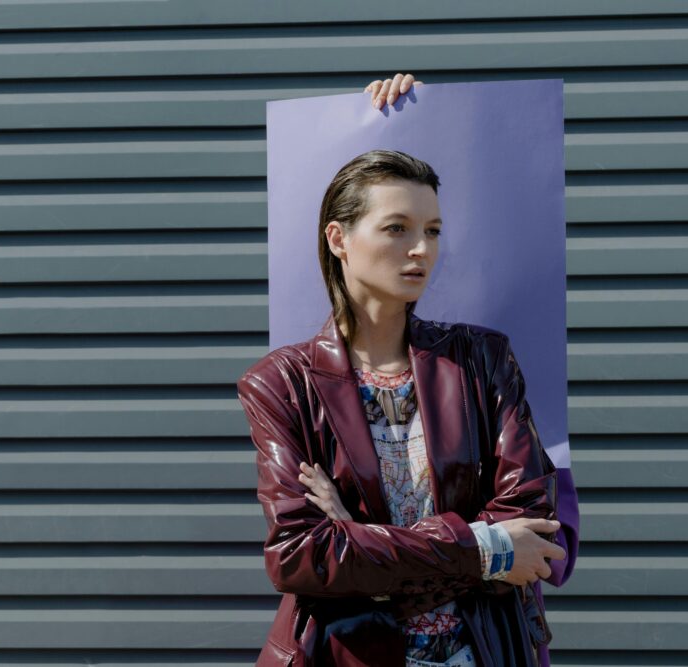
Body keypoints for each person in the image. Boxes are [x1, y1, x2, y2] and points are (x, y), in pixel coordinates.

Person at [236, 72, 567, 667]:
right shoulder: (281, 383)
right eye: (397, 228)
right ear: (338, 238)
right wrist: (486, 550)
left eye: (432, 231)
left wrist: (361, 542)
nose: (422, 249)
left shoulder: (480, 359)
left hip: (482, 651)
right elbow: (301, 557)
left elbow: (534, 529)